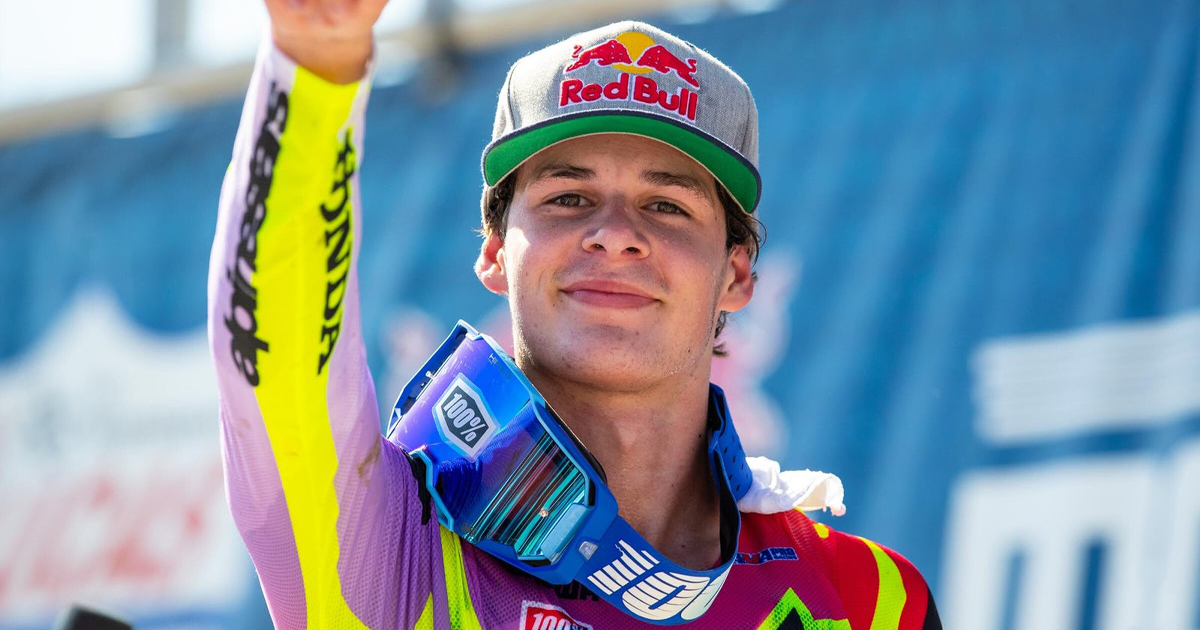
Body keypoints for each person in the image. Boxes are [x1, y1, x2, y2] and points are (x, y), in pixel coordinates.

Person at [207, 0, 943, 628]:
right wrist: (314, 65)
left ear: (737, 274)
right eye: (568, 197)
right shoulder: (394, 550)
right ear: (495, 253)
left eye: (667, 205)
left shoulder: (870, 599)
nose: (615, 233)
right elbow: (283, 360)